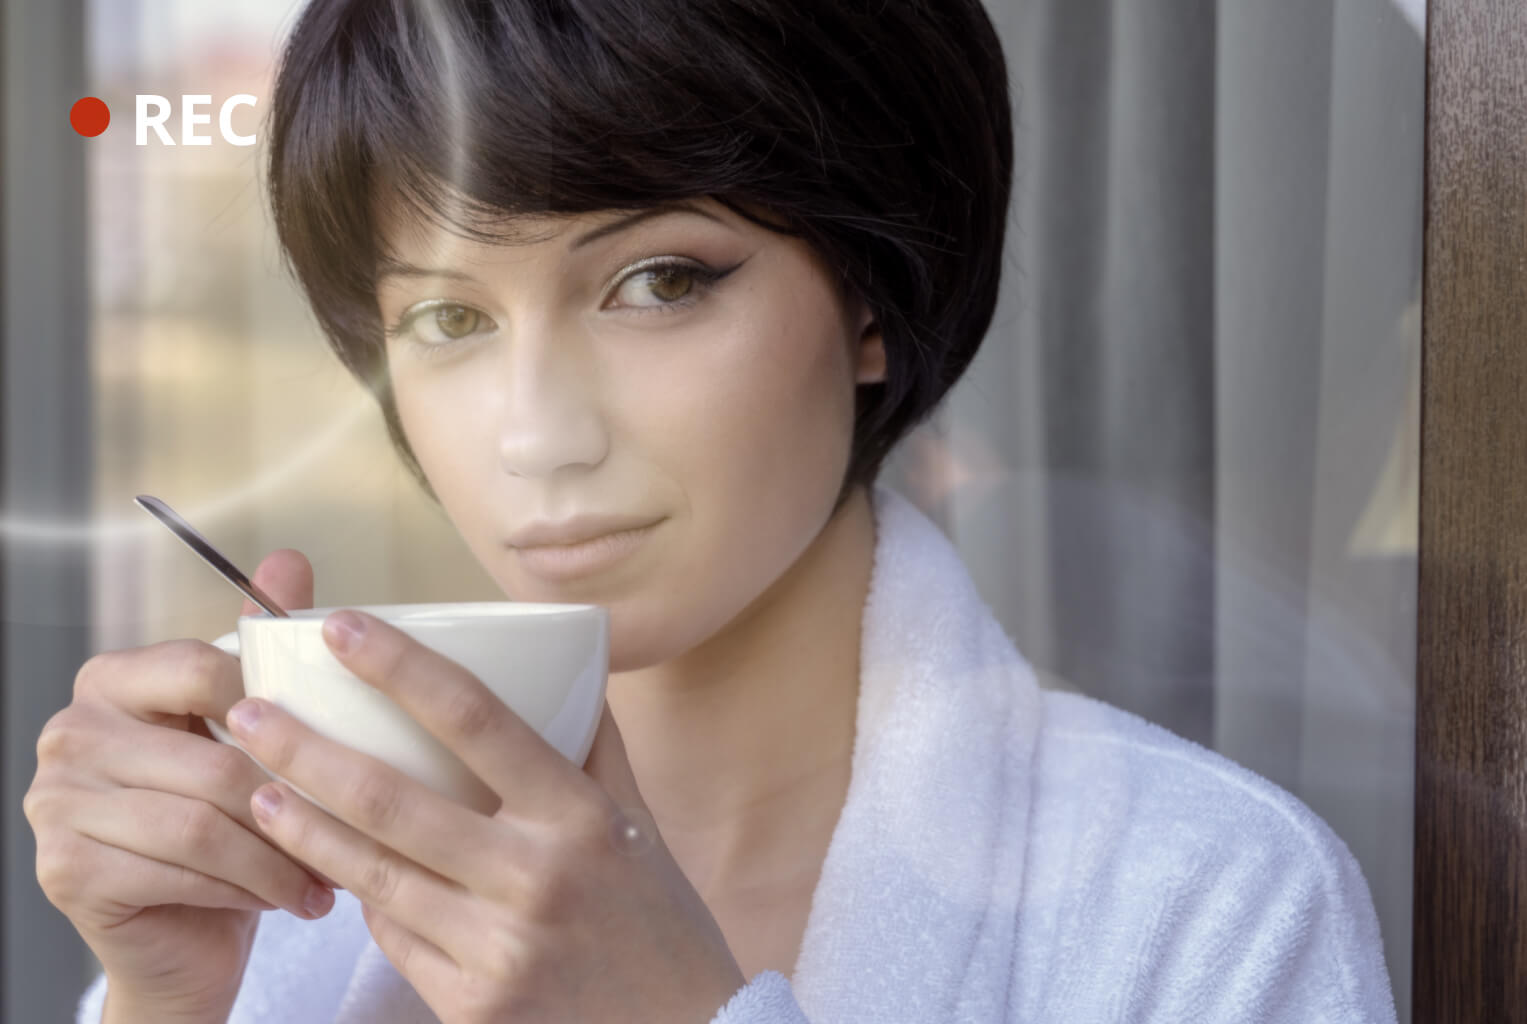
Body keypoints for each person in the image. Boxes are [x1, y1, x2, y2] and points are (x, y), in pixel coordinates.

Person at [26, 0, 1400, 1021]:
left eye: (661, 281)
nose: (537, 436)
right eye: (448, 316)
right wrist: (160, 999)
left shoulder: (1208, 906)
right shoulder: (296, 908)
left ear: (868, 294)